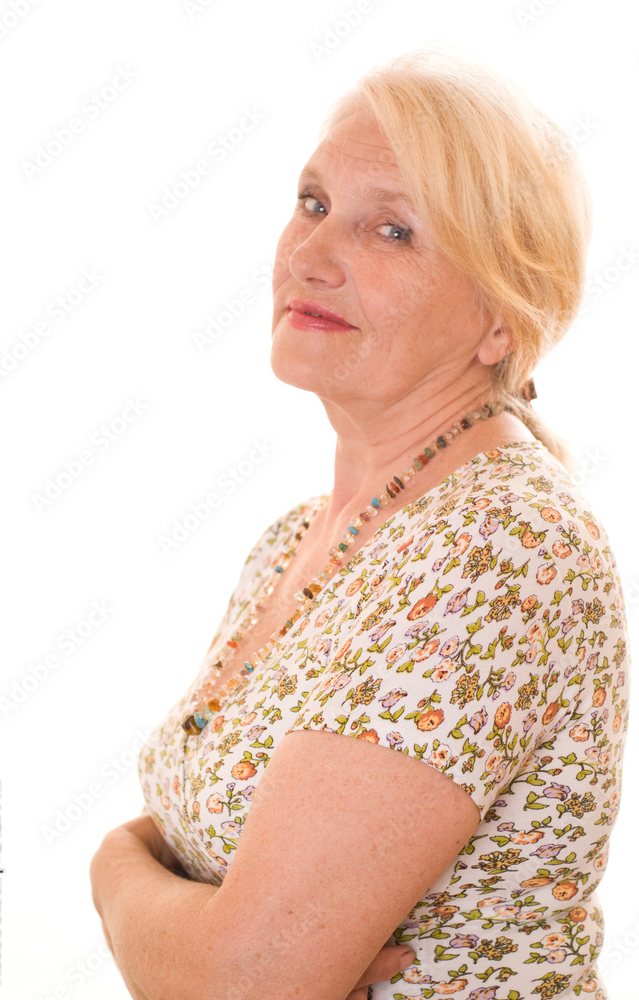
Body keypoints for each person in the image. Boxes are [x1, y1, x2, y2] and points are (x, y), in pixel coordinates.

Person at [90, 44, 630, 1000]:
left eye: (392, 231)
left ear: (502, 319)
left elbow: (244, 985)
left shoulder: (494, 546)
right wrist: (134, 878)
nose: (309, 257)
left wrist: (112, 876)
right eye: (312, 203)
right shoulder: (294, 541)